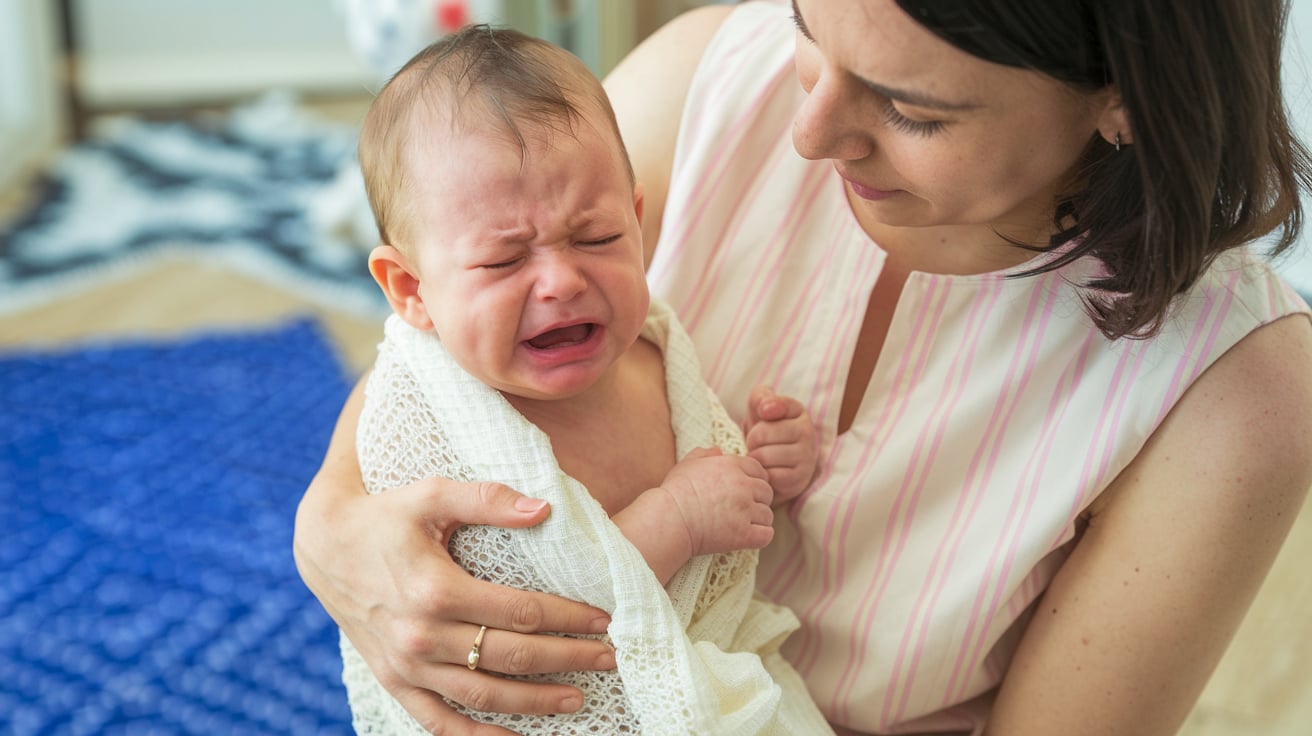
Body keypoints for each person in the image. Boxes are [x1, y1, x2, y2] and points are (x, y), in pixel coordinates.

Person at [294, 1, 1312, 733]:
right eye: (808, 33)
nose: (808, 132)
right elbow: (447, 346)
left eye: (914, 109)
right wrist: (331, 526)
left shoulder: (1236, 391)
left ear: (1125, 99)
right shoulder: (701, 76)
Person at [336, 24, 833, 734]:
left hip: (706, 676)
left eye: (596, 238)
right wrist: (678, 520)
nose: (562, 281)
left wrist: (760, 467)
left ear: (634, 222)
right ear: (411, 288)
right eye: (505, 261)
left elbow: (710, 483)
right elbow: (533, 607)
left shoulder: (655, 347)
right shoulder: (437, 417)